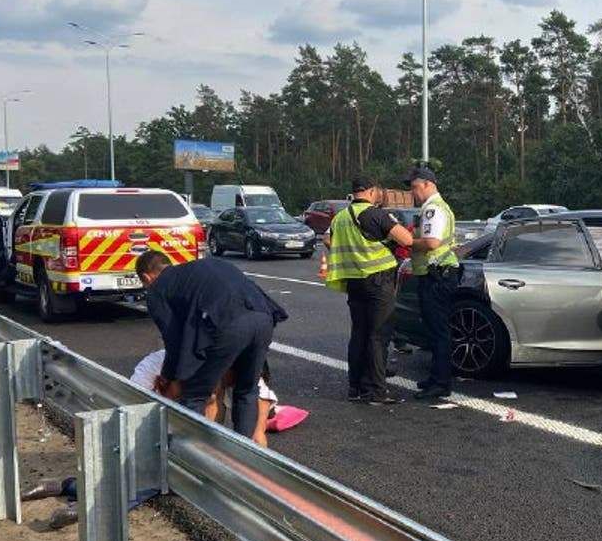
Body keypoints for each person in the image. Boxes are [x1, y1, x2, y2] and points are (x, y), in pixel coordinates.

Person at [135, 251, 287, 438]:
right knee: (246, 390)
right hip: (263, 316)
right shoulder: (196, 270)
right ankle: (243, 455)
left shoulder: (157, 289)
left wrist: (169, 376)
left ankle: (193, 456)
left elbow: (174, 341)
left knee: (194, 394)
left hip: (228, 325)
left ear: (146, 277)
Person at [323, 176, 413, 405]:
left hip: (354, 281)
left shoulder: (341, 216)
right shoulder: (375, 214)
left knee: (359, 333)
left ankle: (356, 386)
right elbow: (407, 239)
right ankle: (376, 391)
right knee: (378, 335)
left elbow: (327, 240)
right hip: (378, 280)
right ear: (372, 192)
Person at [130, 349, 276, 446]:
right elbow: (130, 410)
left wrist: (258, 430)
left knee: (216, 395)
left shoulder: (238, 366)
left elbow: (260, 395)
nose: (231, 386)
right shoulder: (151, 368)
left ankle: (206, 448)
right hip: (156, 428)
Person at [405, 166, 459, 400]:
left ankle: (440, 382)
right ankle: (436, 377)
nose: (413, 193)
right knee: (435, 330)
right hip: (438, 273)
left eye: (415, 188)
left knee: (439, 331)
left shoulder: (433, 209)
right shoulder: (436, 207)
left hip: (437, 274)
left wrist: (408, 240)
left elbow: (431, 243)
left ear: (428, 184)